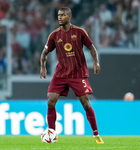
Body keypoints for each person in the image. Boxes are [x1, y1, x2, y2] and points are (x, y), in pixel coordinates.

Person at [40, 7, 104, 144]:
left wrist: (96, 62)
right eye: (58, 15)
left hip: (78, 73)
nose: (59, 17)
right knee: (50, 100)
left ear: (69, 17)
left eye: (63, 15)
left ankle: (96, 134)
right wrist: (42, 67)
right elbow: (44, 53)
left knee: (86, 103)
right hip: (61, 73)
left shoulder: (79, 32)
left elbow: (92, 47)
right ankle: (51, 132)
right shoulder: (54, 35)